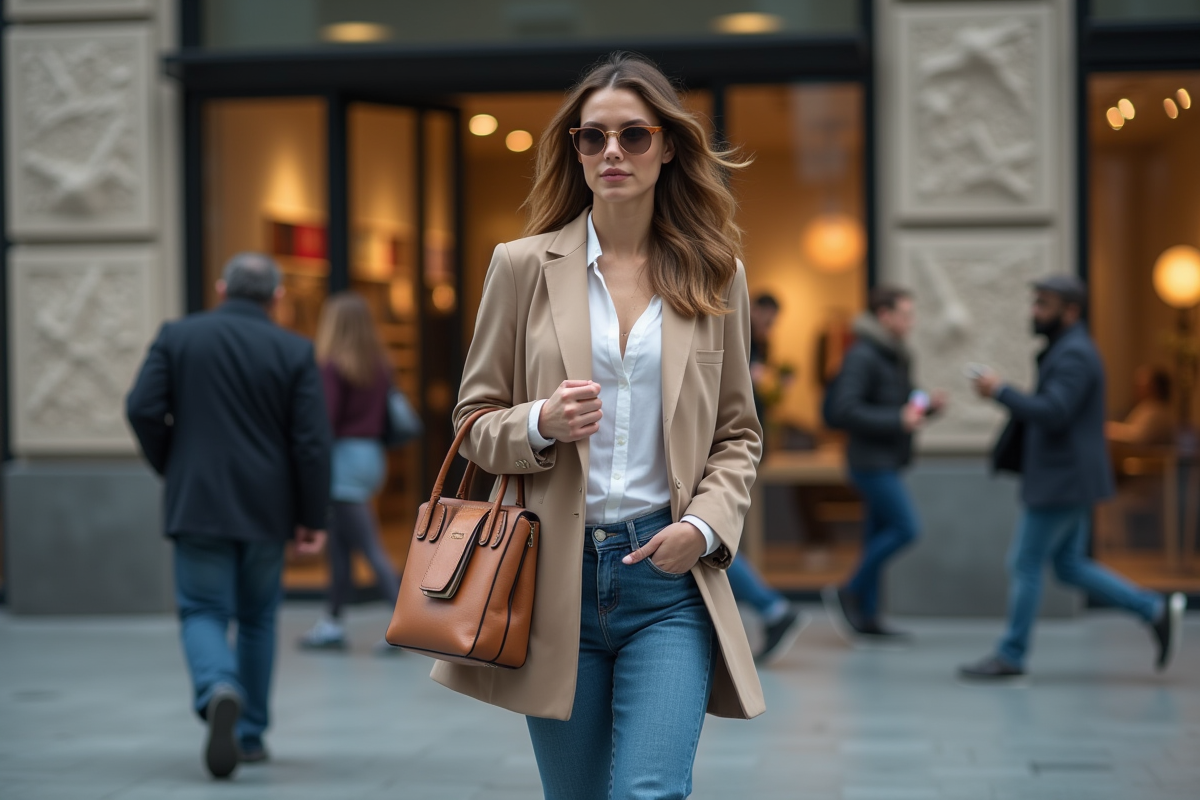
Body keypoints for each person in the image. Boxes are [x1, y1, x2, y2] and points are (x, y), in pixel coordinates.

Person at [434, 52, 764, 799]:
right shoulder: (520, 267)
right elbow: (472, 420)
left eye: (634, 135)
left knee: (651, 791)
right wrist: (540, 422)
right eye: (593, 138)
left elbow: (738, 432)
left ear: (668, 145)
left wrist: (707, 528)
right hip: (550, 579)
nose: (612, 152)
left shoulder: (716, 273)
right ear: (576, 150)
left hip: (666, 582)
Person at [125, 253, 331, 778]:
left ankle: (218, 686)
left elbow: (142, 408)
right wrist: (312, 516)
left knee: (201, 610)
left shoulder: (178, 337)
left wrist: (173, 462)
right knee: (259, 617)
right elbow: (310, 442)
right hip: (266, 507)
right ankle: (251, 733)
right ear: (277, 297)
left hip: (197, 501)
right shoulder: (293, 349)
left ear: (221, 288)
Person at [959, 275, 1186, 680]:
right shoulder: (1067, 350)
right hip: (1067, 478)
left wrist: (1001, 391)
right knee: (1068, 566)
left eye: (1043, 304)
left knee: (1025, 563)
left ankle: (1011, 654)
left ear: (1071, 311)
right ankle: (1153, 610)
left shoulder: (1075, 354)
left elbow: (1054, 411)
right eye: (1035, 303)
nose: (1034, 312)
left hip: (1061, 480)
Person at [822, 287, 946, 643]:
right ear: (884, 316)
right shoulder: (862, 355)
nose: (912, 321)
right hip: (869, 462)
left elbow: (904, 404)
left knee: (878, 535)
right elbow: (845, 410)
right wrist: (897, 418)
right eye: (905, 314)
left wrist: (929, 407)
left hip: (889, 459)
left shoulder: (896, 354)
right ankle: (849, 590)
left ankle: (869, 616)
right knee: (906, 527)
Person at [298, 292, 403, 652]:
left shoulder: (332, 366)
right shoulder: (380, 364)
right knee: (341, 547)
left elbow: (324, 421)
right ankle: (332, 623)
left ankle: (403, 624)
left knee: (369, 545)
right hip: (371, 455)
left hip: (343, 459)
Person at [727, 292, 808, 665]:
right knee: (713, 539)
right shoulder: (737, 333)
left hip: (736, 448)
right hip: (732, 446)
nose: (769, 326)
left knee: (711, 541)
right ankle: (771, 608)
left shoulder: (757, 342)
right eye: (768, 318)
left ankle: (772, 608)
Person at [1106, 366, 1174, 446]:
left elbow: (1136, 438)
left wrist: (1108, 429)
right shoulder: (1147, 407)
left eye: (1141, 385)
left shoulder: (1156, 411)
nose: (1136, 389)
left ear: (1154, 387)